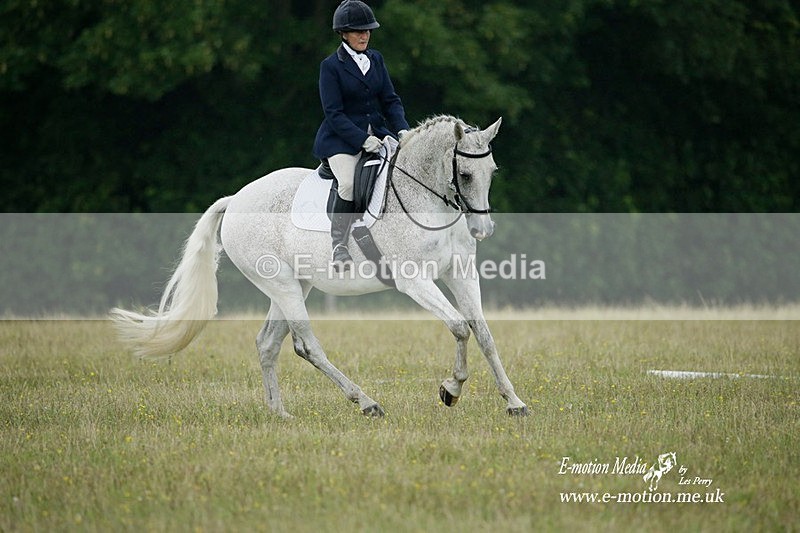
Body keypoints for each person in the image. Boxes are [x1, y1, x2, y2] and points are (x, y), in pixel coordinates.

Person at [313, 0, 410, 271]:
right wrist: (361, 139)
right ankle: (339, 246)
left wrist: (402, 129)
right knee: (348, 184)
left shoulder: (376, 59)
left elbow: (391, 100)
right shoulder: (330, 66)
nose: (364, 35)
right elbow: (334, 113)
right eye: (358, 31)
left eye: (367, 30)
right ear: (343, 33)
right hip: (341, 140)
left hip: (379, 134)